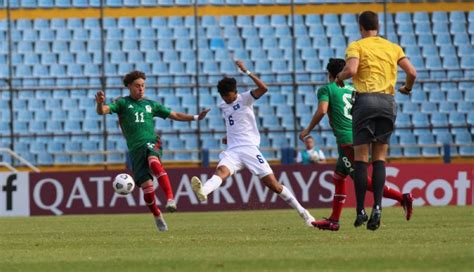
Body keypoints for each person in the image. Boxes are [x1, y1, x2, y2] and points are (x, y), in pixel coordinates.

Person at [191, 60, 315, 227]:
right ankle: (203, 191)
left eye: (227, 96)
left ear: (234, 92)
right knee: (221, 171)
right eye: (222, 96)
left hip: (249, 149)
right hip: (233, 150)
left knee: (273, 185)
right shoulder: (223, 105)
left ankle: (305, 213)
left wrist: (247, 72)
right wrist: (227, 137)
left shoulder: (245, 98)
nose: (225, 99)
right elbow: (235, 124)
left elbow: (264, 88)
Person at [300, 58, 414, 231]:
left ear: (329, 74)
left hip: (347, 140)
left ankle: (402, 197)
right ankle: (334, 220)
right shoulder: (354, 89)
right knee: (338, 176)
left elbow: (322, 110)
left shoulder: (326, 89)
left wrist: (307, 129)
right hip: (359, 136)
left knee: (363, 181)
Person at [96, 70, 210, 232]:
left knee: (154, 161)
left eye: (143, 86)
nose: (141, 89)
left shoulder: (151, 105)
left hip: (151, 142)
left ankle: (170, 199)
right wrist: (100, 103)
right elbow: (102, 111)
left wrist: (196, 117)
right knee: (147, 188)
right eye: (137, 86)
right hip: (135, 150)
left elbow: (175, 114)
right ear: (129, 86)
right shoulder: (122, 103)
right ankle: (157, 214)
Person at [334, 11, 417, 230]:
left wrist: (338, 78)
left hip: (365, 101)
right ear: (377, 26)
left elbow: (351, 69)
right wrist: (406, 88)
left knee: (362, 159)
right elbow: (412, 72)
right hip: (388, 102)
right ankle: (377, 208)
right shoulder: (393, 47)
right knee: (380, 158)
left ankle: (361, 210)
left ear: (361, 26)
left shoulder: (357, 45)